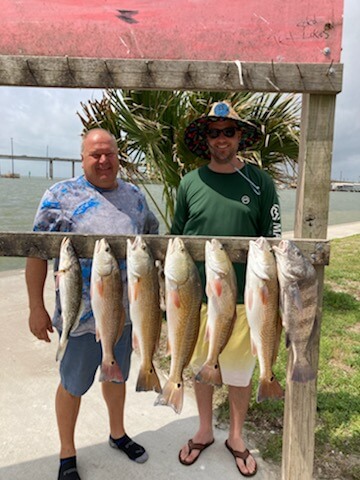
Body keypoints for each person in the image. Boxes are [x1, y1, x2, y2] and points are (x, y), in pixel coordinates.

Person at [25, 128, 159, 480]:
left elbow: (153, 247)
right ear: (82, 158)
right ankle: (67, 453)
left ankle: (118, 433)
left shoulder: (135, 197)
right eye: (95, 154)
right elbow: (36, 253)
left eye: (109, 153)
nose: (103, 160)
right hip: (79, 316)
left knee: (115, 378)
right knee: (73, 384)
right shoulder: (59, 196)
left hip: (125, 314)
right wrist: (35, 307)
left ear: (118, 156)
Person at [173, 101, 281, 477]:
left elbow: (274, 239)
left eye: (228, 131)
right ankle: (204, 429)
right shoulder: (189, 182)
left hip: (248, 299)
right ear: (206, 139)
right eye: (214, 132)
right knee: (205, 366)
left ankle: (236, 436)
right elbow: (177, 236)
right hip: (195, 299)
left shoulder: (260, 182)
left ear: (240, 136)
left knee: (240, 372)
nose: (222, 139)